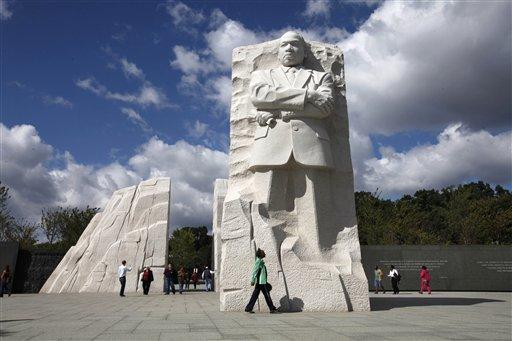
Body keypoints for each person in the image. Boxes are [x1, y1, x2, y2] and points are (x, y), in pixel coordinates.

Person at [249, 31, 337, 264]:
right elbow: (260, 96)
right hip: (270, 144)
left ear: (304, 51)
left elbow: (325, 108)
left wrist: (279, 109)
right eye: (284, 45)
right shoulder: (262, 74)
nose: (289, 48)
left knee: (314, 206)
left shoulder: (321, 77)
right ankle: (265, 260)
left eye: (295, 45)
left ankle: (317, 256)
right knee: (265, 205)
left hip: (311, 144)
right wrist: (307, 95)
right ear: (277, 51)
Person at [245, 249, 278, 313]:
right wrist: (252, 280)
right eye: (263, 252)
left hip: (260, 282)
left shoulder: (260, 261)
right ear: (260, 254)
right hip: (261, 282)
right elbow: (255, 271)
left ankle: (248, 308)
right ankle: (272, 308)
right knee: (267, 295)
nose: (265, 253)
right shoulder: (258, 261)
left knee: (255, 295)